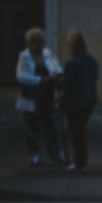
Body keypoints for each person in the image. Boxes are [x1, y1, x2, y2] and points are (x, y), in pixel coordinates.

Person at [14, 27, 64, 167]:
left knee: (51, 127)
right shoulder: (24, 56)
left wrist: (56, 76)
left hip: (47, 97)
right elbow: (21, 76)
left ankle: (55, 154)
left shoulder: (48, 54)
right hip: (32, 97)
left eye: (40, 43)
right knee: (32, 128)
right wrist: (41, 80)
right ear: (29, 43)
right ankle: (34, 155)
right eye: (34, 43)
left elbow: (58, 68)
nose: (38, 46)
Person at [61, 29, 99, 173]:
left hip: (76, 103)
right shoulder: (92, 62)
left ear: (74, 46)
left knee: (75, 132)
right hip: (90, 100)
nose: (69, 50)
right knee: (80, 132)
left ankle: (80, 163)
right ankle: (81, 162)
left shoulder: (73, 64)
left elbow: (68, 84)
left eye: (69, 46)